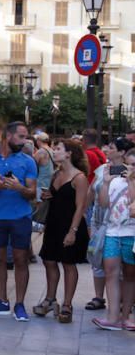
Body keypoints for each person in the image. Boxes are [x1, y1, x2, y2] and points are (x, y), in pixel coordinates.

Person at [0, 121, 38, 321]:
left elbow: (32, 193)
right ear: (8, 136)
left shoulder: (28, 161)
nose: (25, 141)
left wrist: (19, 188)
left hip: (20, 217)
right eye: (21, 136)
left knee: (21, 260)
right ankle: (2, 301)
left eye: (26, 137)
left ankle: (20, 304)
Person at [33, 140, 89, 324]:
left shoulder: (79, 177)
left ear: (69, 154)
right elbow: (55, 197)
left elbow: (80, 207)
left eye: (58, 149)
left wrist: (72, 231)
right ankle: (50, 299)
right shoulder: (57, 173)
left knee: (68, 263)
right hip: (54, 224)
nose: (54, 152)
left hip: (70, 225)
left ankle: (67, 304)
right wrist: (49, 195)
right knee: (49, 260)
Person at [85, 138, 134, 312]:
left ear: (122, 152)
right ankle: (99, 297)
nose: (107, 150)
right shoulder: (101, 170)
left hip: (120, 224)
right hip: (99, 221)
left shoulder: (130, 173)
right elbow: (92, 192)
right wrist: (86, 216)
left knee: (122, 267)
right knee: (97, 259)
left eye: (111, 148)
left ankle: (121, 302)